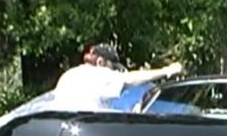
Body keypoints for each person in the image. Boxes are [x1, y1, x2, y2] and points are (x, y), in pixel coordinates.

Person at [52, 43, 183, 112]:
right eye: (113, 67)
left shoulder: (68, 75)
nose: (114, 71)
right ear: (100, 62)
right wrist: (166, 71)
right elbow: (129, 79)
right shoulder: (100, 74)